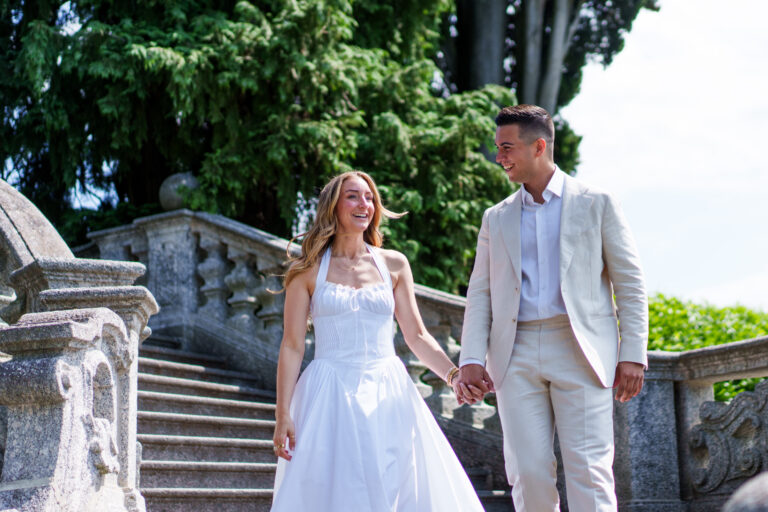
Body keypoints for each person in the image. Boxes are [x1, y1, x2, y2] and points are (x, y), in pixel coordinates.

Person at [456, 104, 648, 512]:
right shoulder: (495, 218)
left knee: (588, 471)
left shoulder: (597, 202)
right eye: (498, 147)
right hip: (514, 351)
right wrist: (471, 357)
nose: (499, 157)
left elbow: (630, 283)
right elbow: (481, 293)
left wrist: (633, 354)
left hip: (581, 348)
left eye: (507, 147)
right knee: (527, 472)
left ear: (539, 146)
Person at [271, 171, 484, 511]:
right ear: (333, 206)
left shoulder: (395, 264)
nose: (364, 204)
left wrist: (453, 375)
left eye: (370, 198)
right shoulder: (306, 271)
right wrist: (283, 414)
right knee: (336, 492)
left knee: (397, 487)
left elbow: (416, 334)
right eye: (353, 196)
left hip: (390, 391)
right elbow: (292, 345)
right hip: (329, 393)